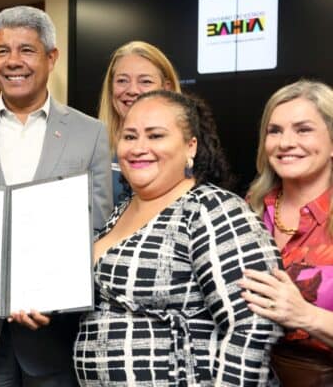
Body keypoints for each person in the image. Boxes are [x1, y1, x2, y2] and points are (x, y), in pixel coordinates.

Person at [0, 5, 113, 386]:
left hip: (54, 332)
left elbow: (96, 229)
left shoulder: (89, 133)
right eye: (2, 51)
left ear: (51, 57)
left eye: (27, 50)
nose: (13, 62)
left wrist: (56, 297)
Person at [75, 90, 283, 386]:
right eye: (130, 136)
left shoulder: (212, 209)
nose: (138, 148)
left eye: (156, 136)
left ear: (190, 146)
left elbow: (253, 327)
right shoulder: (121, 210)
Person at [240, 79, 333, 386]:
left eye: (303, 130)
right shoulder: (246, 210)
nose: (285, 143)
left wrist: (306, 315)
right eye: (275, 131)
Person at [97, 41, 181, 205]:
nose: (132, 90)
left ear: (167, 88)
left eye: (145, 81)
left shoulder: (185, 149)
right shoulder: (93, 147)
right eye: (122, 81)